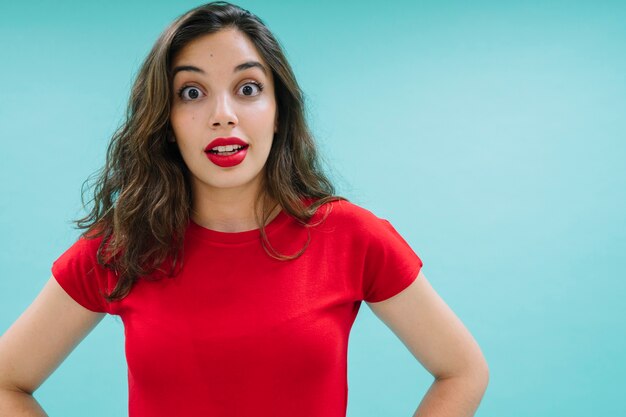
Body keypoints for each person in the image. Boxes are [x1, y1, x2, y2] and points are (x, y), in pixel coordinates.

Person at [0, 2, 489, 416]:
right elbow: (8, 382)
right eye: (192, 93)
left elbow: (463, 371)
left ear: (279, 112)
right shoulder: (123, 245)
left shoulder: (352, 236)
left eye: (248, 88)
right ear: (166, 121)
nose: (223, 114)